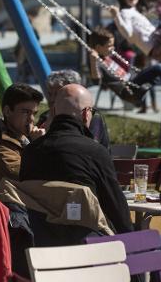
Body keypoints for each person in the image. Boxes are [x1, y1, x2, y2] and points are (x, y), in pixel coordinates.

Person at [20, 84, 134, 244]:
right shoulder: (95, 152)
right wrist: (134, 241)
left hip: (43, 244)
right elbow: (116, 209)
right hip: (88, 243)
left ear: (53, 112)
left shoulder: (30, 152)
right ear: (87, 114)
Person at [89, 27, 161, 113]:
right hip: (128, 90)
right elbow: (96, 82)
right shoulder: (98, 62)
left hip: (132, 81)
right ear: (99, 47)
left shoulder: (107, 57)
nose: (113, 48)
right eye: (109, 46)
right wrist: (93, 61)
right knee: (159, 68)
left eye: (113, 45)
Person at [0, 83, 45, 184]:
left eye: (34, 113)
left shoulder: (23, 137)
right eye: (25, 112)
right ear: (8, 111)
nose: (31, 119)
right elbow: (29, 176)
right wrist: (38, 145)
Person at [38, 69, 111, 149]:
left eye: (58, 94)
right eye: (50, 93)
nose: (51, 99)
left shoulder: (91, 115)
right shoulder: (45, 116)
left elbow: (90, 147)